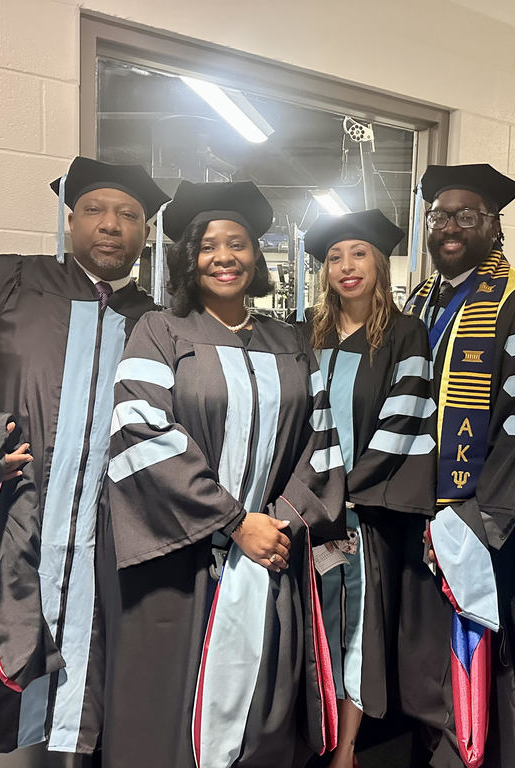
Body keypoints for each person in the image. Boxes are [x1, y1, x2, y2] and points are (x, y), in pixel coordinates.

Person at [0, 157, 170, 762]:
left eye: (129, 215)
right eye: (95, 210)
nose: (111, 225)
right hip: (7, 525)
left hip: (103, 542)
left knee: (82, 707)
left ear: (145, 233)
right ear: (70, 220)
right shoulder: (7, 280)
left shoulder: (155, 321)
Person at [103, 180, 347, 768]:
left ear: (256, 256)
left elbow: (323, 444)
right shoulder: (160, 332)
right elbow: (140, 433)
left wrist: (275, 526)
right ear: (190, 258)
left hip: (270, 555)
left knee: (264, 713)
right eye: (208, 246)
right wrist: (235, 522)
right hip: (182, 562)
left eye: (237, 243)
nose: (224, 257)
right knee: (168, 715)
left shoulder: (289, 342)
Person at [401, 164, 515, 768]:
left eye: (466, 215)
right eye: (440, 215)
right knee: (426, 673)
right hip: (422, 517)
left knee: (487, 679)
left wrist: (470, 522)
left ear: (493, 226)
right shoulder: (422, 300)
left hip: (487, 528)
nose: (449, 227)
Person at [296, 209, 437, 768]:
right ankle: (313, 734)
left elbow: (404, 421)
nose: (346, 267)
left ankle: (347, 750)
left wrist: (347, 492)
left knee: (356, 629)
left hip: (360, 511)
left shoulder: (404, 335)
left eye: (358, 254)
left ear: (378, 263)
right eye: (334, 257)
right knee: (313, 625)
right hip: (307, 508)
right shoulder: (308, 330)